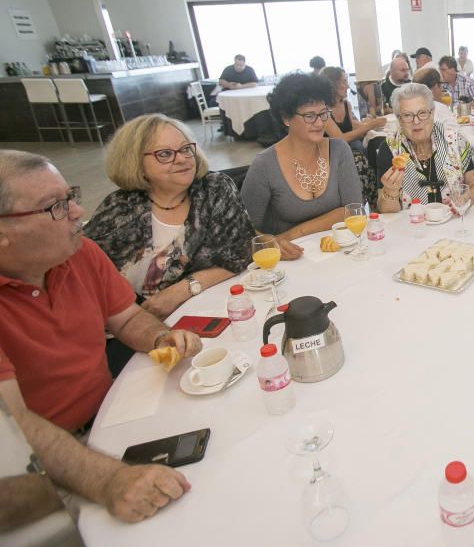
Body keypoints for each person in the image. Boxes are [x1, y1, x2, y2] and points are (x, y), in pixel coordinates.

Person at [0, 150, 202, 522]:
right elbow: (13, 426)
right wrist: (109, 479)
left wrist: (160, 338)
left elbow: (125, 319)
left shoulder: (77, 253)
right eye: (55, 207)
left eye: (70, 196)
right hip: (37, 471)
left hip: (111, 415)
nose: (78, 212)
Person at [84, 114, 254, 320]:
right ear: (135, 162)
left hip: (209, 309)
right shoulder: (117, 211)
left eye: (185, 149)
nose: (182, 159)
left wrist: (184, 289)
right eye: (165, 154)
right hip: (133, 325)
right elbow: (88, 282)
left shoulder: (213, 189)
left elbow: (242, 252)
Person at [241, 74, 363, 260]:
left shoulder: (338, 149)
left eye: (323, 113)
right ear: (286, 118)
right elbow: (245, 230)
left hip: (339, 251)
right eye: (309, 116)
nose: (320, 122)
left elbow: (352, 210)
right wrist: (273, 242)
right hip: (289, 260)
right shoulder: (264, 165)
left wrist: (294, 233)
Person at [374, 83, 474, 213]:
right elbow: (386, 211)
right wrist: (390, 192)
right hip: (411, 227)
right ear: (398, 119)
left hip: (453, 222)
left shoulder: (454, 140)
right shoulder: (390, 149)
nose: (416, 121)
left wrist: (465, 198)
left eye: (422, 113)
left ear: (432, 113)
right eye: (407, 115)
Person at [320, 67, 387, 152]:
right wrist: (370, 125)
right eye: (344, 81)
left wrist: (368, 125)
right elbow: (340, 139)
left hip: (347, 149)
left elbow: (353, 130)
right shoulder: (321, 110)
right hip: (331, 153)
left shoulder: (346, 104)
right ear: (332, 85)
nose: (348, 86)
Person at [412, 67, 461, 134]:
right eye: (441, 85)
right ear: (435, 87)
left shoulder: (408, 108)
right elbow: (456, 135)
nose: (441, 90)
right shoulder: (438, 107)